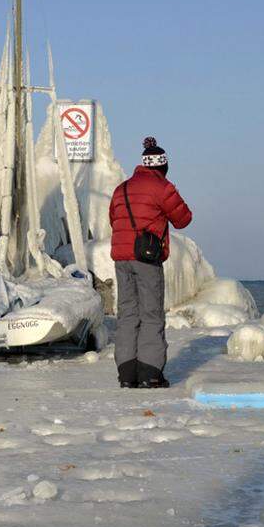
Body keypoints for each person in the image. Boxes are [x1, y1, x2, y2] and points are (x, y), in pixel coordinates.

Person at [107, 137, 192, 389]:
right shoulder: (162, 187)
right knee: (151, 313)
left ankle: (126, 374)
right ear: (163, 166)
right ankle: (150, 373)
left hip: (121, 258)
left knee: (127, 313)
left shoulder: (120, 189)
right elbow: (183, 219)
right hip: (146, 258)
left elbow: (114, 219)